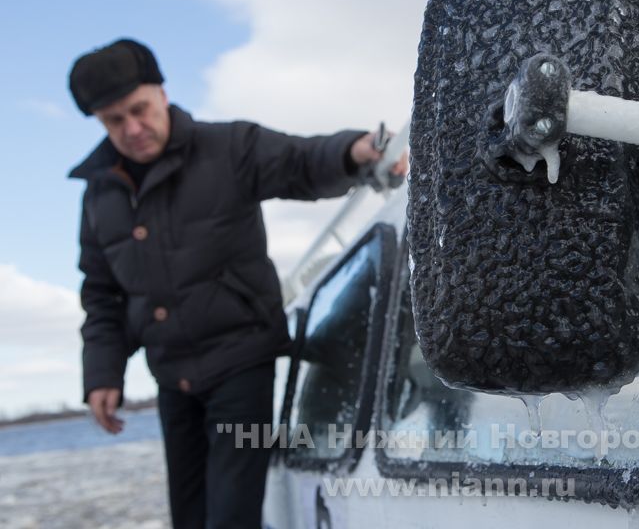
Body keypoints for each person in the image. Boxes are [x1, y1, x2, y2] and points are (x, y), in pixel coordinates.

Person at [67, 38, 407, 528]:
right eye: (114, 121)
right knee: (189, 518)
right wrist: (102, 373)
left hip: (241, 364)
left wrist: (355, 150)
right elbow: (101, 294)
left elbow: (301, 160)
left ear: (162, 93)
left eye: (139, 110)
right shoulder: (101, 194)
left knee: (230, 518)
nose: (132, 129)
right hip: (172, 377)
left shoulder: (228, 147)